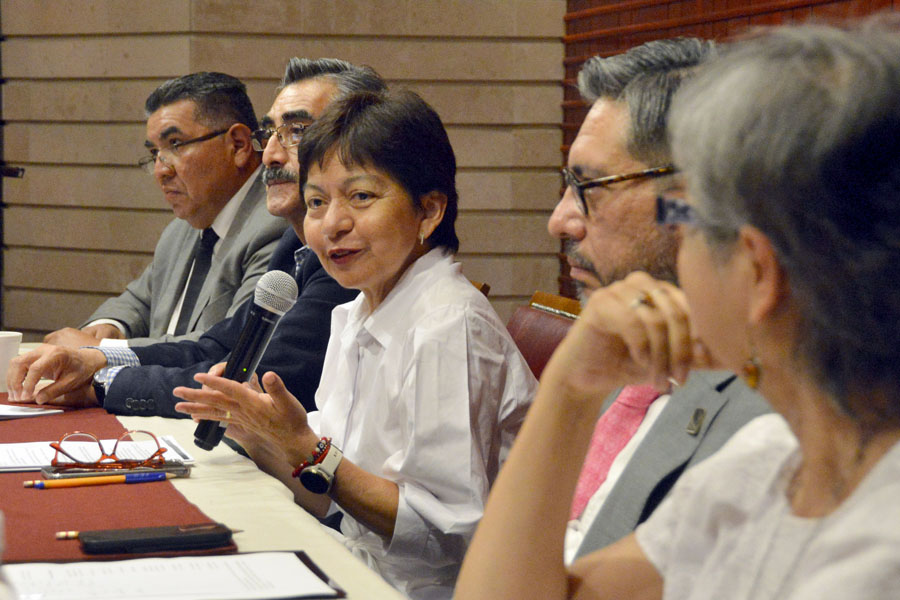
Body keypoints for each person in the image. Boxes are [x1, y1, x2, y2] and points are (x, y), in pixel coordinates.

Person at [456, 19, 900, 600]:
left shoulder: (871, 556)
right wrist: (567, 391)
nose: (560, 220)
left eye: (689, 226)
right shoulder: (762, 468)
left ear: (757, 270)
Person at [173, 89, 537, 600]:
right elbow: (337, 501)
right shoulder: (358, 312)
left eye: (361, 197)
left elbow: (443, 538)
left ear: (429, 211)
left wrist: (307, 449)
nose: (333, 224)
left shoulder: (448, 325)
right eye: (318, 201)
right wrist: (259, 432)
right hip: (358, 569)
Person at [6, 58, 383, 414]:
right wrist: (96, 356)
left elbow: (254, 378)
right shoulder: (287, 243)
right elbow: (218, 343)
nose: (270, 155)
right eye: (270, 134)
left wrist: (102, 380)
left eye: (296, 133)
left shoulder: (333, 250)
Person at [549, 38, 768, 560]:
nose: (560, 220)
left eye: (591, 185)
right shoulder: (620, 343)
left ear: (691, 204)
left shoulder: (773, 421)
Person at [45, 72, 286, 347]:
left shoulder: (276, 226)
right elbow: (137, 302)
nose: (161, 170)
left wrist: (103, 351)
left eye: (176, 145)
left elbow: (229, 345)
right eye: (154, 154)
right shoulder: (183, 229)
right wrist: (110, 326)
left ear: (239, 145)